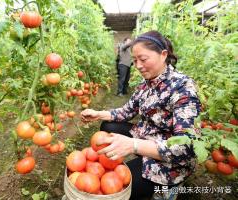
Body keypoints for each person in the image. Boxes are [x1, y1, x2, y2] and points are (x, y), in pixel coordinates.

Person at [81, 30, 201, 199]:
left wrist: (133, 145)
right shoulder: (145, 85)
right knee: (108, 126)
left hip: (172, 159)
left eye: (143, 59)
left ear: (163, 55)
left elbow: (186, 146)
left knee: (123, 187)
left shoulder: (183, 88)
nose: (137, 65)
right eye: (135, 60)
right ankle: (139, 159)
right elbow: (126, 111)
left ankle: (169, 187)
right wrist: (99, 114)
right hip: (148, 138)